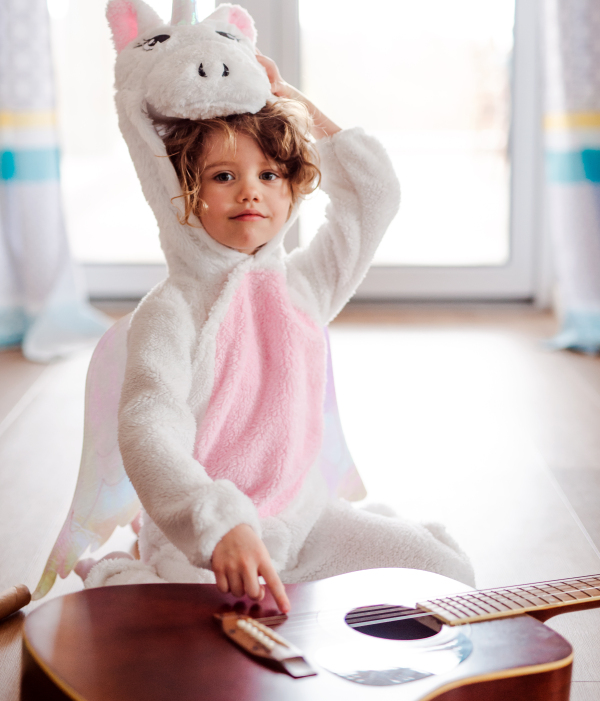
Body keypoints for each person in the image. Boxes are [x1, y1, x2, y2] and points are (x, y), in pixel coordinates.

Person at [83, 44, 474, 608]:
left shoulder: (305, 286)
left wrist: (290, 101)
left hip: (303, 519)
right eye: (223, 176)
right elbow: (149, 428)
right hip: (207, 543)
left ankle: (374, 541)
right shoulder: (169, 312)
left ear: (291, 187)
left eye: (269, 173)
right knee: (202, 653)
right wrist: (217, 523)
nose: (251, 190)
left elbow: (374, 195)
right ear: (182, 195)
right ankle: (131, 572)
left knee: (446, 576)